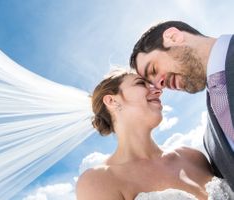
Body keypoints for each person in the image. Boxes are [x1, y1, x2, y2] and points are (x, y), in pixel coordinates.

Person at [76, 68, 233, 200]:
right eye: (140, 83)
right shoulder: (99, 181)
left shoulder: (193, 156)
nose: (158, 90)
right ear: (111, 101)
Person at [129, 21, 234, 190]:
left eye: (153, 69)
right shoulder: (210, 142)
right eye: (152, 84)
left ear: (173, 37)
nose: (159, 85)